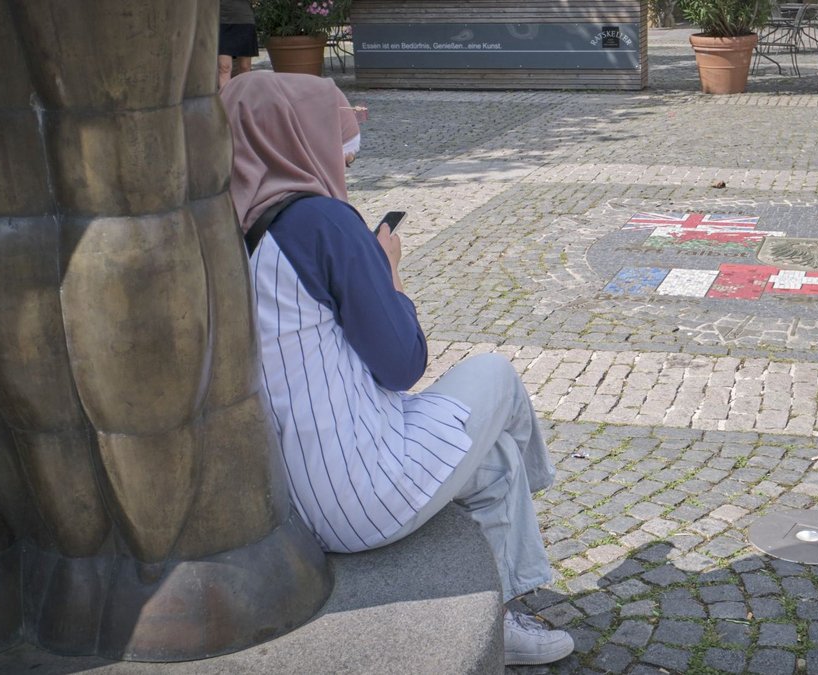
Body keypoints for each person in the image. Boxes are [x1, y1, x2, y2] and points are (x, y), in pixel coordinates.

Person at [219, 71, 574, 667]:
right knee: (496, 374)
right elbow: (402, 365)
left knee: (492, 457)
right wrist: (388, 271)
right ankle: (533, 520)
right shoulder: (324, 224)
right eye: (339, 151)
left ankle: (504, 613)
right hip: (360, 493)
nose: (345, 168)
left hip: (289, 500)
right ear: (297, 138)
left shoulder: (230, 231)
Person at [218, 0, 258, 89]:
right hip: (220, 21)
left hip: (244, 19)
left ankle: (243, 99)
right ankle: (226, 101)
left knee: (245, 67)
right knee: (224, 67)